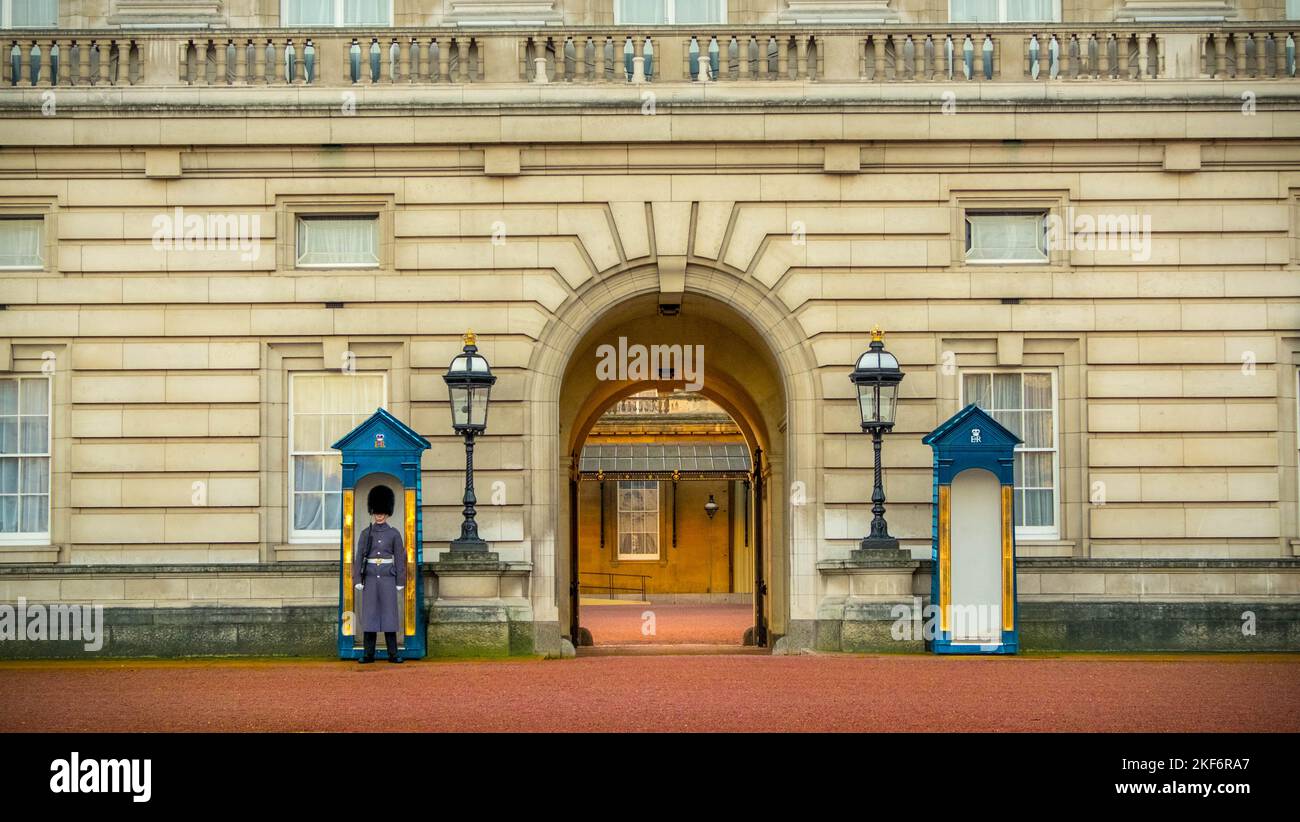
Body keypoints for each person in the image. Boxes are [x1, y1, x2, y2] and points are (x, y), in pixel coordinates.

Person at [353, 484, 406, 664]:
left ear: (387, 512)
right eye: (377, 512)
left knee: (389, 615)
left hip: (387, 577)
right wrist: (357, 578)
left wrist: (400, 579)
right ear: (373, 512)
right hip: (369, 577)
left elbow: (400, 557)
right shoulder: (366, 533)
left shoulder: (393, 534)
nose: (379, 514)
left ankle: (393, 653)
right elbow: (359, 556)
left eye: (382, 512)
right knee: (370, 616)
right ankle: (369, 654)